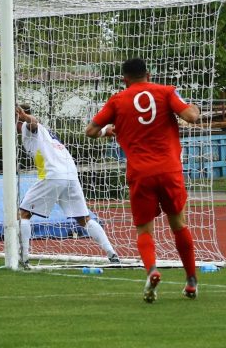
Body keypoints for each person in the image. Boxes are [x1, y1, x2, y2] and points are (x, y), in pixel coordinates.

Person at [85, 57, 200, 303]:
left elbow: (91, 131)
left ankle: (151, 271)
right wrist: (194, 108)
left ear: (124, 79)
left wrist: (109, 130)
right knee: (178, 223)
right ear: (148, 74)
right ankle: (191, 281)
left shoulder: (117, 100)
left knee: (144, 229)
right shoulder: (166, 92)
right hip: (169, 170)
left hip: (140, 173)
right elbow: (191, 116)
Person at [16, 104, 119, 267]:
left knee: (23, 214)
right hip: (70, 176)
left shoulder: (29, 128)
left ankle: (24, 258)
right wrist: (105, 131)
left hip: (53, 175)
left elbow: (33, 123)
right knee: (84, 219)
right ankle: (112, 254)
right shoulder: (51, 135)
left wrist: (25, 118)